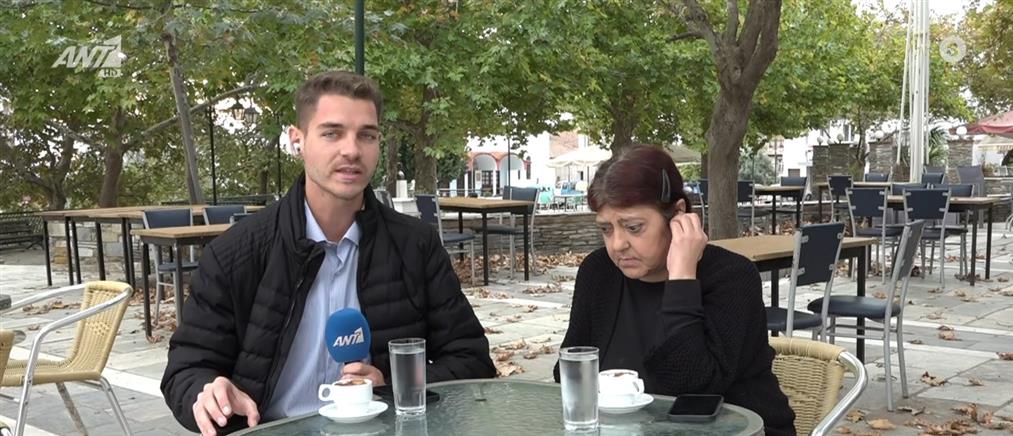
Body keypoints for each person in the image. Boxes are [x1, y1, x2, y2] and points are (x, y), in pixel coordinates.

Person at [161, 71, 496, 435]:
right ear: (298, 141)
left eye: (367, 135)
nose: (351, 150)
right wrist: (207, 392)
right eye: (332, 133)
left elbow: (472, 361)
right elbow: (185, 371)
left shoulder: (415, 246)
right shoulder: (235, 254)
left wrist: (394, 384)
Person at [553, 145, 796, 436]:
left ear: (678, 214)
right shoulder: (599, 272)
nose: (617, 244)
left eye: (633, 227)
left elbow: (693, 388)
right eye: (606, 229)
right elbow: (569, 374)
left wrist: (681, 277)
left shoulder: (732, 277)